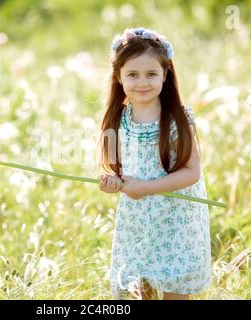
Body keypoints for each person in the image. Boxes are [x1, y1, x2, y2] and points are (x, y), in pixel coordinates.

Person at [98, 27, 211, 300]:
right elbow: (114, 169)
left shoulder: (176, 119)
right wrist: (111, 181)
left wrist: (147, 187)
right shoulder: (118, 119)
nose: (142, 82)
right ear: (119, 77)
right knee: (141, 287)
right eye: (132, 75)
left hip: (175, 220)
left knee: (173, 287)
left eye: (151, 74)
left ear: (165, 74)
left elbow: (191, 172)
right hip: (138, 220)